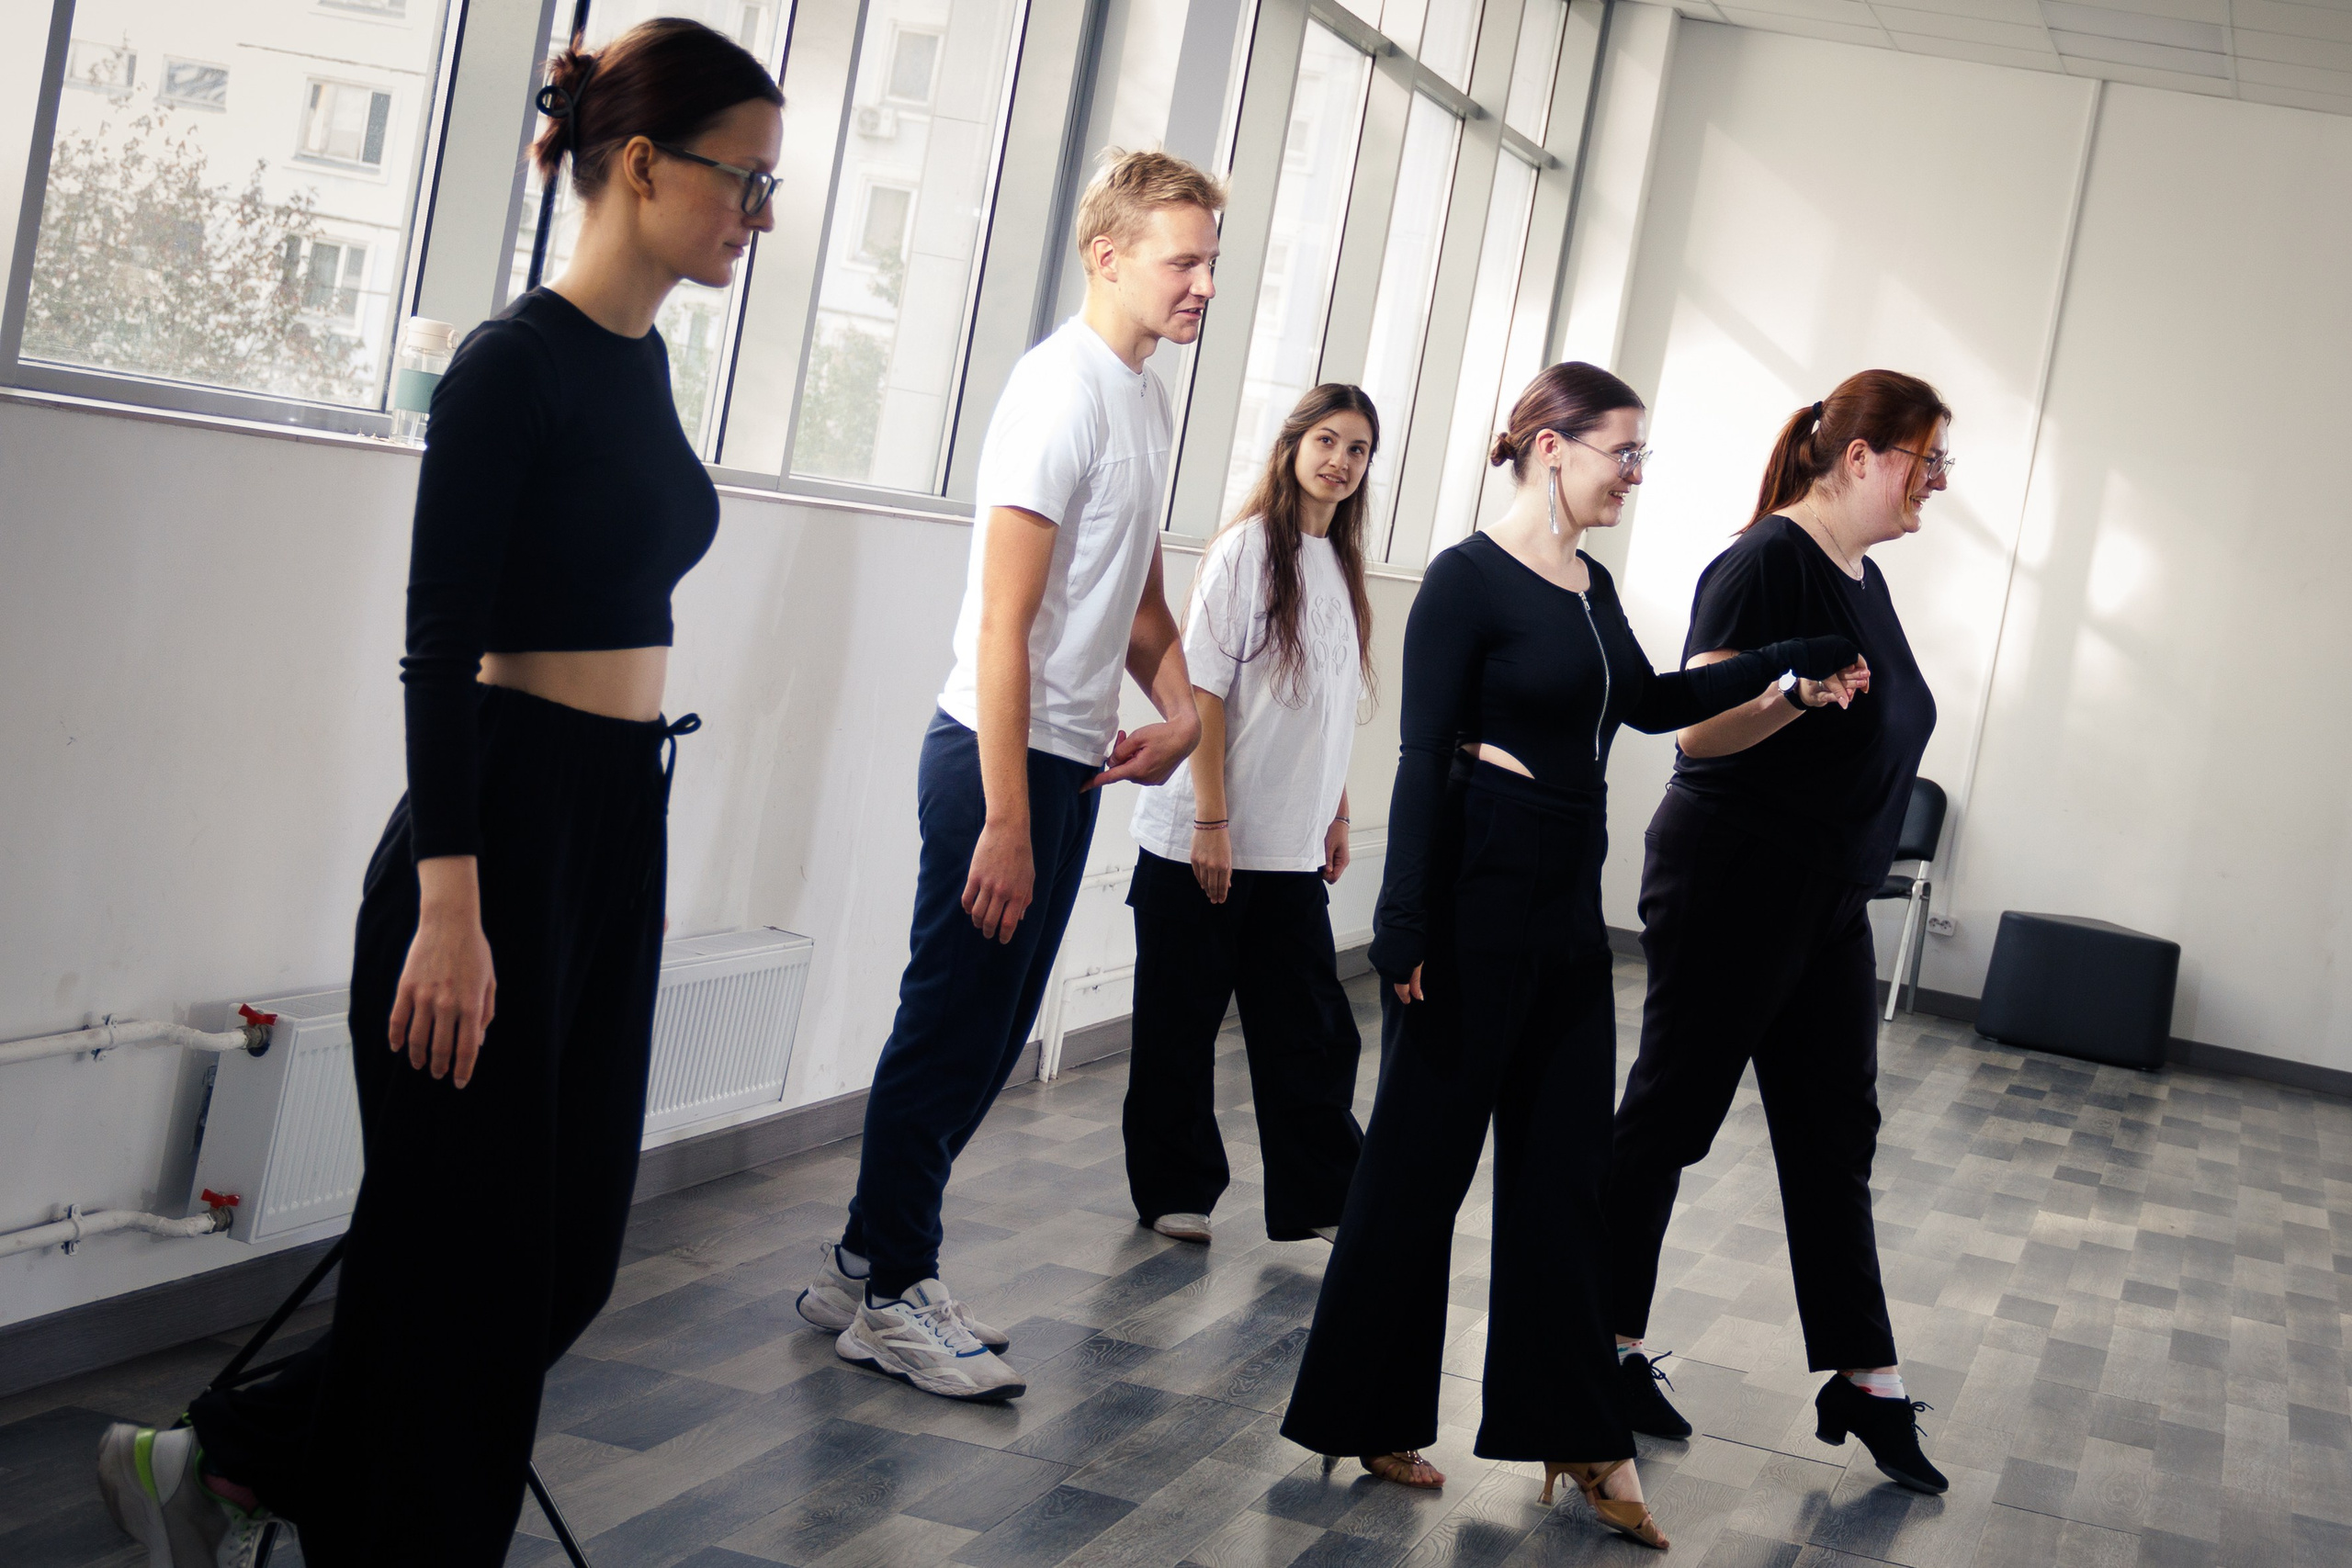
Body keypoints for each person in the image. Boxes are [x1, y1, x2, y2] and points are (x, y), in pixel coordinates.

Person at [93, 22, 780, 1566]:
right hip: (496, 833)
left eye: (772, 191)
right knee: (460, 1283)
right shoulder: (510, 365)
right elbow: (432, 644)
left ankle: (228, 1454)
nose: (757, 215)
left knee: (565, 1259)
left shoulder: (647, 358)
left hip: (615, 819)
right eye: (746, 181)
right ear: (648, 162)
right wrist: (454, 905)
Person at [1280, 363, 1862, 1551]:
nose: (1633, 477)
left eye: (1640, 456)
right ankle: (1364, 1408)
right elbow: (1424, 752)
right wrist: (1403, 925)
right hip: (1472, 906)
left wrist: (1782, 666)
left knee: (1562, 1184)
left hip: (1564, 914)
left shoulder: (1590, 585)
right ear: (1550, 446)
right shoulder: (1465, 581)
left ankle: (1579, 1437)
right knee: (1414, 1175)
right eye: (1622, 453)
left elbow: (1647, 703)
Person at [791, 150, 1222, 1403]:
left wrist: (1184, 710)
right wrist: (1004, 815)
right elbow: (1003, 622)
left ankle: (866, 1257)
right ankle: (890, 1295)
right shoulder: (1061, 392)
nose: (1201, 284)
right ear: (1109, 253)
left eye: (1209, 262)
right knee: (953, 1028)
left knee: (982, 1032)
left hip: (1065, 754)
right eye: (1181, 259)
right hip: (997, 755)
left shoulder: (1144, 398)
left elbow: (1133, 598)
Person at [1606, 370, 1951, 1493]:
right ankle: (1592, 1347)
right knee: (1668, 1121)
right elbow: (1692, 735)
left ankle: (1867, 1381)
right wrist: (1787, 699)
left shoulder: (1864, 575)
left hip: (1828, 898)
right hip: (1736, 883)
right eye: (1923, 461)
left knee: (1831, 1133)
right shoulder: (1763, 563)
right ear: (1858, 457)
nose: (1933, 484)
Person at [1123, 384, 1380, 1248]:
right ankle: (1173, 1189)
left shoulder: (1339, 566)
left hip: (1288, 848)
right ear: (1293, 445)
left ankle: (1322, 1195)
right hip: (1203, 838)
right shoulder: (1246, 551)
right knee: (1179, 1025)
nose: (1342, 461)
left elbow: (1327, 706)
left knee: (1311, 1029)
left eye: (1359, 450)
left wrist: (1335, 813)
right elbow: (1205, 691)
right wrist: (1210, 819)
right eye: (1330, 441)